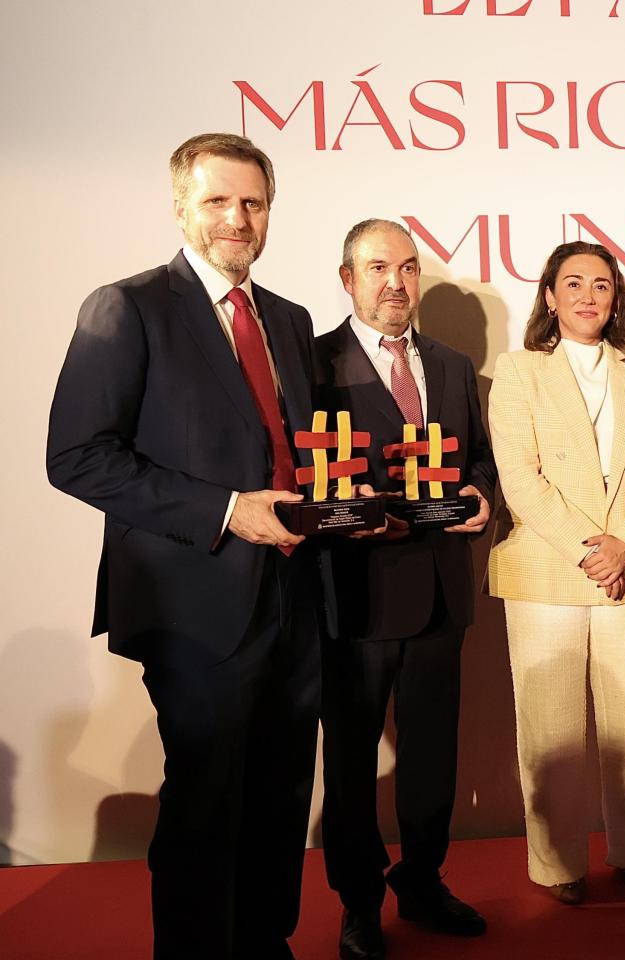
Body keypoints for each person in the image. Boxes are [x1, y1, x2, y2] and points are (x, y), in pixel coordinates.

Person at [45, 132, 321, 959]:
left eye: (254, 203)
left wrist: (351, 509)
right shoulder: (124, 307)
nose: (238, 219)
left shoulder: (291, 319)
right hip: (194, 604)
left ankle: (266, 945)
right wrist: (226, 510)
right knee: (206, 804)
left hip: (295, 598)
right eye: (218, 201)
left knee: (279, 800)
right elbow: (77, 456)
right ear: (180, 208)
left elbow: (298, 452)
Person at [312, 219, 498, 959]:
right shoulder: (313, 362)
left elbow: (480, 461)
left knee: (431, 758)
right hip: (354, 596)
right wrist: (342, 510)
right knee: (352, 763)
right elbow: (299, 472)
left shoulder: (453, 366)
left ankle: (421, 880)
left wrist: (484, 500)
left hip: (440, 595)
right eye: (379, 267)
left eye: (409, 268)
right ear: (348, 278)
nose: (396, 283)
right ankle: (359, 906)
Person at [486, 241, 625, 904]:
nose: (588, 296)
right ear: (549, 297)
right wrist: (590, 548)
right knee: (553, 730)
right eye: (573, 283)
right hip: (546, 568)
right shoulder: (518, 370)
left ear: (615, 298)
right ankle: (557, 865)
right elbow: (520, 479)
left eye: (601, 284)